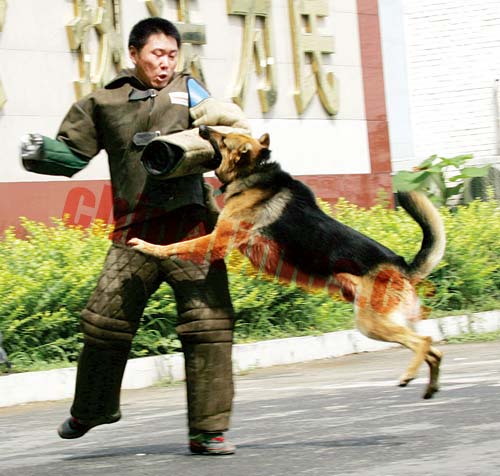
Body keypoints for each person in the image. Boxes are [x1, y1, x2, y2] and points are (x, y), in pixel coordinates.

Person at [20, 17, 250, 455]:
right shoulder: (106, 101)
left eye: (171, 55)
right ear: (134, 54)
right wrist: (40, 154)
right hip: (134, 233)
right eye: (156, 54)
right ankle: (92, 409)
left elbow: (229, 129)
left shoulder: (191, 91)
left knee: (209, 327)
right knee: (103, 324)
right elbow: (71, 152)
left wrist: (224, 138)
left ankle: (208, 429)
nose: (165, 64)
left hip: (192, 231)